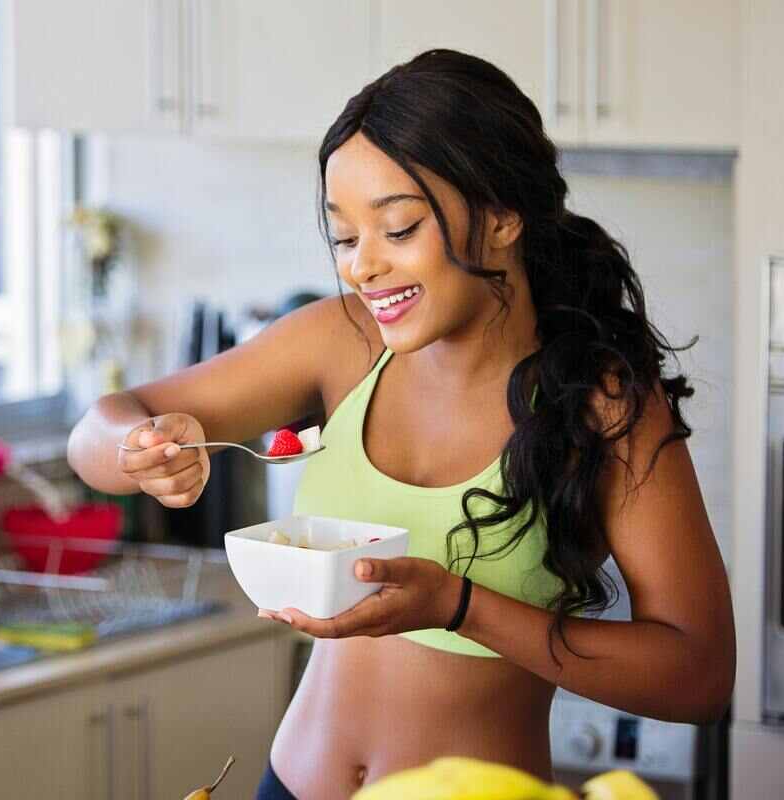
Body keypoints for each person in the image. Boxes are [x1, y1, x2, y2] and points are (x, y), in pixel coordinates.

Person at [66, 49, 736, 800]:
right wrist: (137, 451)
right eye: (346, 239)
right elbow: (96, 430)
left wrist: (458, 605)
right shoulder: (339, 342)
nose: (361, 268)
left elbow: (699, 676)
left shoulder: (601, 404)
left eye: (399, 228)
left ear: (503, 216)